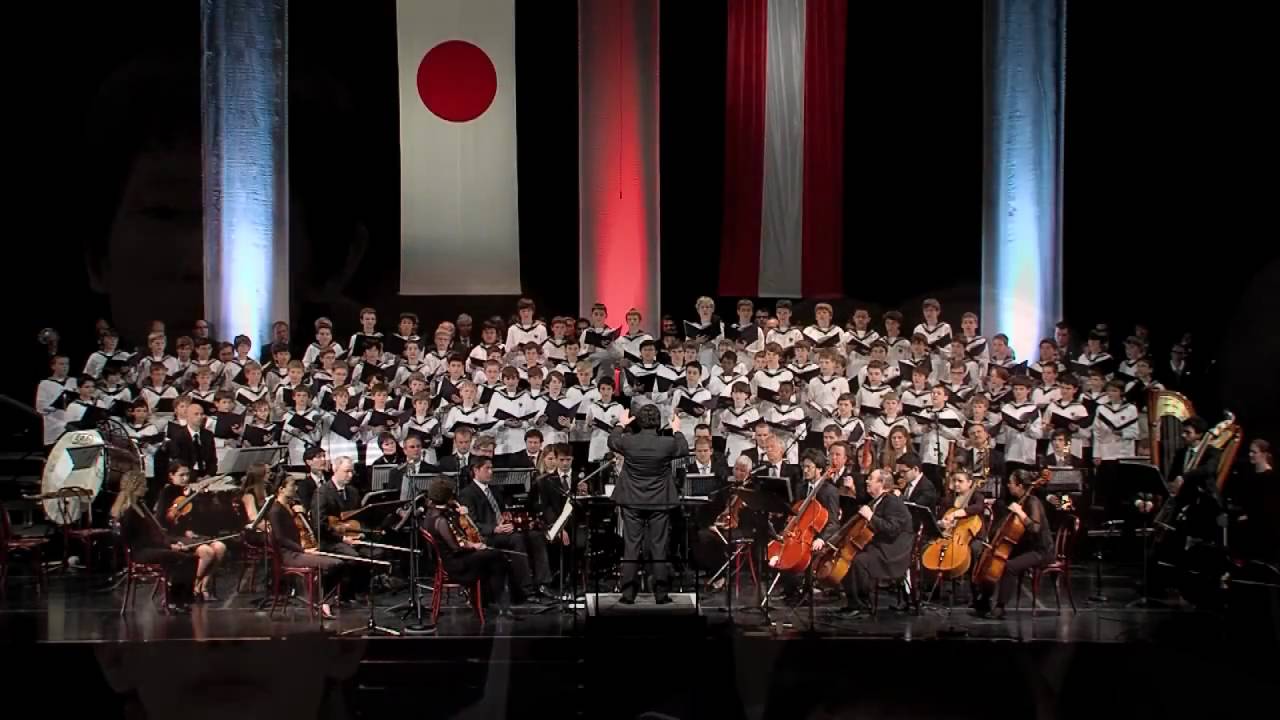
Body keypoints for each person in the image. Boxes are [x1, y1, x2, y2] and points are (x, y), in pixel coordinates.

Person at [607, 404, 689, 604]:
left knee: (631, 546)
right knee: (659, 546)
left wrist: (621, 424)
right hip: (659, 501)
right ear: (658, 422)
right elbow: (684, 448)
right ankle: (661, 594)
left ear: (638, 421)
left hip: (632, 501)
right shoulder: (667, 443)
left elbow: (612, 440)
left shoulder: (629, 441)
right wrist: (677, 429)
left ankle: (628, 595)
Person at [457, 454, 553, 601]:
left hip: (503, 529)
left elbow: (502, 510)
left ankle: (543, 583)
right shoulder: (467, 494)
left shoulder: (495, 490)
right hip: (486, 536)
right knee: (516, 539)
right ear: (476, 470)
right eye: (487, 468)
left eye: (491, 468)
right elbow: (472, 523)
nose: (491, 472)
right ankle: (526, 590)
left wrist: (507, 515)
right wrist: (495, 528)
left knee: (535, 535)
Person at [823, 467, 912, 617]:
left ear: (882, 483)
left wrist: (871, 517)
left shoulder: (893, 502)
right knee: (849, 558)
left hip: (892, 552)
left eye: (871, 478)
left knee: (859, 561)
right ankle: (852, 603)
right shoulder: (876, 501)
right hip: (878, 546)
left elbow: (892, 529)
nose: (867, 481)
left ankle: (862, 605)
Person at [423, 478, 513, 617]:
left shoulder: (432, 513)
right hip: (455, 565)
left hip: (452, 559)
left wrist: (460, 514)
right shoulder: (440, 520)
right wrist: (475, 546)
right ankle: (498, 603)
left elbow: (457, 538)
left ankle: (487, 600)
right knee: (496, 557)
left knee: (493, 555)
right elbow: (456, 547)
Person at [112, 470, 197, 612]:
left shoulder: (140, 506)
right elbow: (143, 539)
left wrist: (169, 544)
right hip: (140, 552)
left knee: (190, 558)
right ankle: (174, 601)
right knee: (185, 559)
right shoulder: (129, 512)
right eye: (143, 485)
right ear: (135, 487)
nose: (146, 488)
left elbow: (155, 534)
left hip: (149, 547)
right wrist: (168, 546)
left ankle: (180, 600)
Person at [972, 470, 1052, 619]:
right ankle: (984, 601)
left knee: (1009, 567)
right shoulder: (1021, 500)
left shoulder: (1033, 501)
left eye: (1011, 483)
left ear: (1020, 485)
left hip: (1041, 551)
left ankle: (1000, 608)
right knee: (991, 560)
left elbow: (1035, 528)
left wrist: (1020, 513)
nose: (1008, 485)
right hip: (1026, 547)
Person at [266, 473, 347, 619]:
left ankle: (321, 599)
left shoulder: (290, 507)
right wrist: (303, 550)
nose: (296, 488)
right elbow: (280, 538)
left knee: (339, 562)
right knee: (335, 564)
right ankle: (323, 602)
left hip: (298, 551)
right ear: (281, 489)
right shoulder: (275, 510)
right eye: (292, 486)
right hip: (290, 555)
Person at [154, 462, 228, 601]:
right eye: (181, 475)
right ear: (171, 476)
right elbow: (160, 521)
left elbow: (202, 518)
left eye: (187, 474)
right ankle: (193, 585)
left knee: (220, 547)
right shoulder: (167, 492)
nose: (185, 478)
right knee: (207, 552)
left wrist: (202, 497)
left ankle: (203, 586)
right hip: (173, 535)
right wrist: (175, 519)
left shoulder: (192, 492)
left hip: (191, 535)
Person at [312, 456, 369, 602]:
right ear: (334, 469)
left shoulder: (353, 492)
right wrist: (343, 538)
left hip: (351, 536)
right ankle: (344, 593)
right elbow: (320, 525)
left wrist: (360, 533)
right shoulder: (322, 493)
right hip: (329, 540)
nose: (350, 475)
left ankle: (359, 591)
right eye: (346, 471)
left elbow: (359, 517)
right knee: (353, 557)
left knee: (374, 553)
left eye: (351, 472)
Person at [892, 452, 938, 517]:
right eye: (900, 472)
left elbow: (916, 509)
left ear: (915, 469)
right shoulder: (908, 482)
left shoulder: (927, 487)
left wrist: (900, 496)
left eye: (904, 471)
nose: (901, 475)